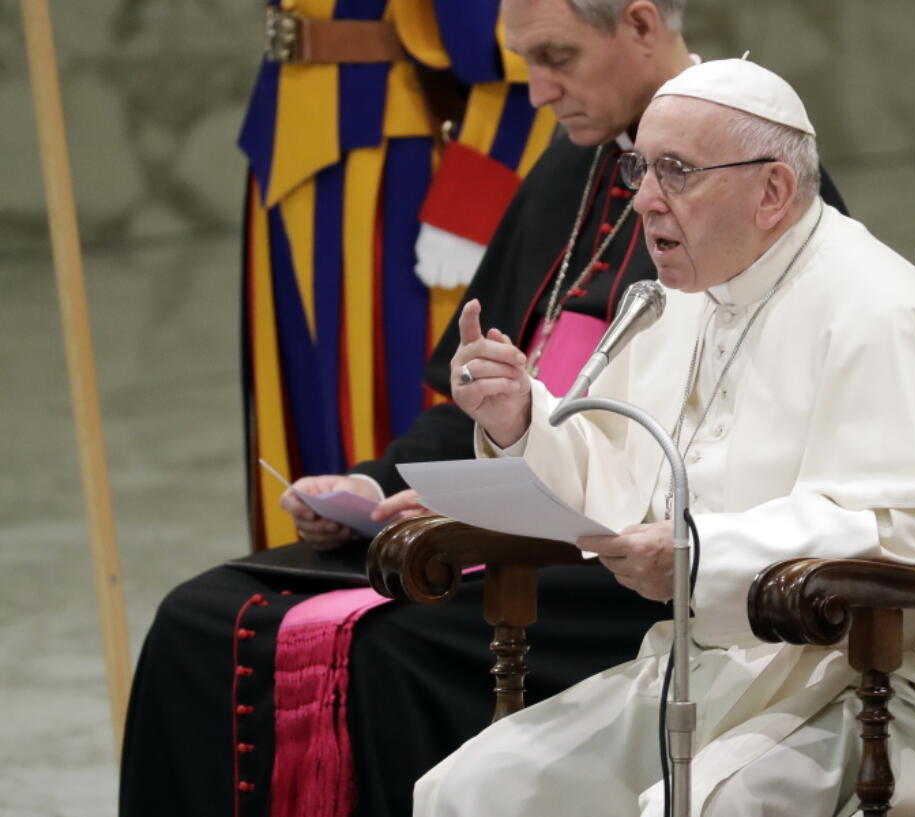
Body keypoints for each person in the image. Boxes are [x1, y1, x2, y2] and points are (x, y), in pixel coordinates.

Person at [119, 3, 849, 817]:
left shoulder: (755, 180)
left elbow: (744, 447)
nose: (536, 91)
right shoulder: (570, 168)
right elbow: (472, 398)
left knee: (374, 651)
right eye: (526, 61)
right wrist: (369, 484)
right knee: (200, 616)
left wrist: (529, 487)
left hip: (624, 563)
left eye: (557, 57)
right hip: (500, 521)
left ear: (641, 23)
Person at [416, 59, 915, 817]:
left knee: (707, 805)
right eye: (640, 167)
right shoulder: (689, 297)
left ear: (772, 192)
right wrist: (522, 420)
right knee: (472, 789)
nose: (643, 202)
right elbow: (624, 475)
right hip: (722, 669)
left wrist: (703, 550)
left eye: (676, 171)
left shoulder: (875, 310)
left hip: (897, 682)